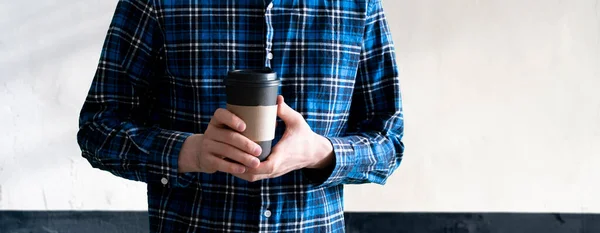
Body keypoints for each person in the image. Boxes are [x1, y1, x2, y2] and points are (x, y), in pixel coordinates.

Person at [77, 0, 404, 232]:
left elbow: (389, 141)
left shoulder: (358, 5)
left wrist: (319, 153)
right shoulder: (157, 3)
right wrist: (189, 152)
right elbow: (97, 127)